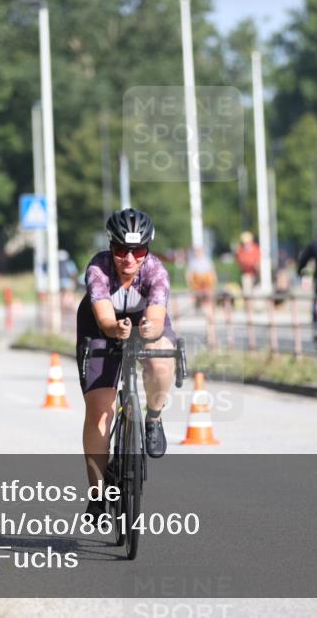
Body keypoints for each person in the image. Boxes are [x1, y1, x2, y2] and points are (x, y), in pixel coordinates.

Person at [76, 208, 176, 517]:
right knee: (99, 413)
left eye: (138, 251)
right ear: (110, 247)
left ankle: (154, 418)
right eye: (121, 250)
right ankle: (98, 493)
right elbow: (105, 317)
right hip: (101, 326)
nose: (129, 259)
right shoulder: (98, 269)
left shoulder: (156, 271)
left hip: (145, 323)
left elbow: (157, 318)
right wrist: (113, 329)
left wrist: (151, 329)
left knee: (161, 361)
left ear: (147, 250)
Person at [186, 246, 216, 311]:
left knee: (208, 298)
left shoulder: (207, 261)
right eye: (196, 252)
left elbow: (212, 273)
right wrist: (190, 286)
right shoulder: (193, 262)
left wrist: (213, 284)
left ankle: (208, 309)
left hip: (207, 285)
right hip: (197, 285)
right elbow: (189, 275)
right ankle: (200, 306)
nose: (197, 253)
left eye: (199, 251)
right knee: (198, 297)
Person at [235, 231, 261, 296]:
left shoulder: (256, 249)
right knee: (247, 292)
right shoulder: (241, 251)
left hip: (257, 274)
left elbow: (258, 260)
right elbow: (242, 262)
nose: (246, 244)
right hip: (247, 274)